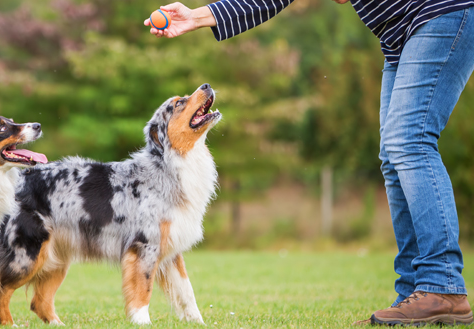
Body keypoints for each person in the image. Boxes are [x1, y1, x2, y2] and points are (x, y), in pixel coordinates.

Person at [145, 0, 474, 325]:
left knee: (408, 141)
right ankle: (413, 292)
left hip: (440, 14)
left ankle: (441, 285)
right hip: (401, 36)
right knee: (393, 156)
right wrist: (197, 16)